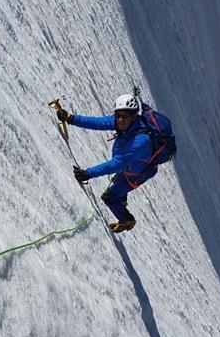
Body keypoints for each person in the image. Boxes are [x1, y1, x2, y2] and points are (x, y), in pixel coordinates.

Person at [57, 94, 159, 233]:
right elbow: (99, 123)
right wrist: (71, 118)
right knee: (119, 182)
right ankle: (121, 198)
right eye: (118, 115)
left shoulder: (141, 141)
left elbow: (116, 164)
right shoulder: (124, 122)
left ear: (134, 116)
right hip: (129, 166)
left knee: (109, 197)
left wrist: (88, 173)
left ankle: (127, 220)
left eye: (124, 116)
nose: (120, 119)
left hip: (136, 174)